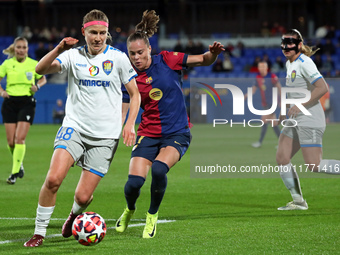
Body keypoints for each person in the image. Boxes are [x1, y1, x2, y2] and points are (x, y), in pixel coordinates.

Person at [23, 9, 140, 247]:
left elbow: (135, 94)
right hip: (74, 128)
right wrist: (59, 49)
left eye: (102, 33)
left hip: (106, 137)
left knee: (83, 196)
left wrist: (129, 124)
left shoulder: (118, 58)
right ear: (83, 32)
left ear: (108, 34)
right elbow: (40, 70)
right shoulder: (72, 56)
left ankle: (74, 216)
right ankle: (39, 232)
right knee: (54, 179)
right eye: (93, 32)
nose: (98, 38)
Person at [115, 10, 224, 239]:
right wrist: (126, 126)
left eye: (140, 52)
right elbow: (126, 105)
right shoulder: (128, 75)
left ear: (149, 49)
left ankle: (152, 216)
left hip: (177, 133)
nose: (136, 57)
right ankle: (129, 209)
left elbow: (204, 59)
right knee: (133, 184)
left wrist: (212, 54)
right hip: (148, 134)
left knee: (158, 169)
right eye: (132, 53)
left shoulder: (167, 59)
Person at [276, 29, 340, 211]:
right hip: (295, 119)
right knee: (282, 157)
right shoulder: (290, 63)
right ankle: (298, 202)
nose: (286, 47)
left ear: (299, 45)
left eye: (290, 43)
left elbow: (322, 87)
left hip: (310, 118)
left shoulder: (305, 63)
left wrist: (301, 105)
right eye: (284, 43)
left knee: (314, 165)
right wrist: (285, 110)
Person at [0, 37, 47, 185]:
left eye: (24, 47)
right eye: (19, 47)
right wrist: (2, 92)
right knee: (11, 142)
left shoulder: (34, 64)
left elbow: (43, 79)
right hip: (10, 102)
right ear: (14, 49)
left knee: (19, 139)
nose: (21, 50)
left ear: (27, 49)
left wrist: (37, 87)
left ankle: (14, 173)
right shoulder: (7, 64)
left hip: (26, 102)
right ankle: (19, 164)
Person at [245, 61, 281, 148]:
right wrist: (244, 96)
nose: (261, 69)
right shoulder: (258, 78)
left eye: (263, 67)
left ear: (266, 68)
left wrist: (281, 100)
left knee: (264, 120)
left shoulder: (272, 76)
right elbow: (253, 91)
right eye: (260, 67)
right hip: (265, 103)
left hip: (272, 103)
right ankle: (282, 143)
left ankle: (260, 142)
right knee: (274, 123)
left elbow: (279, 88)